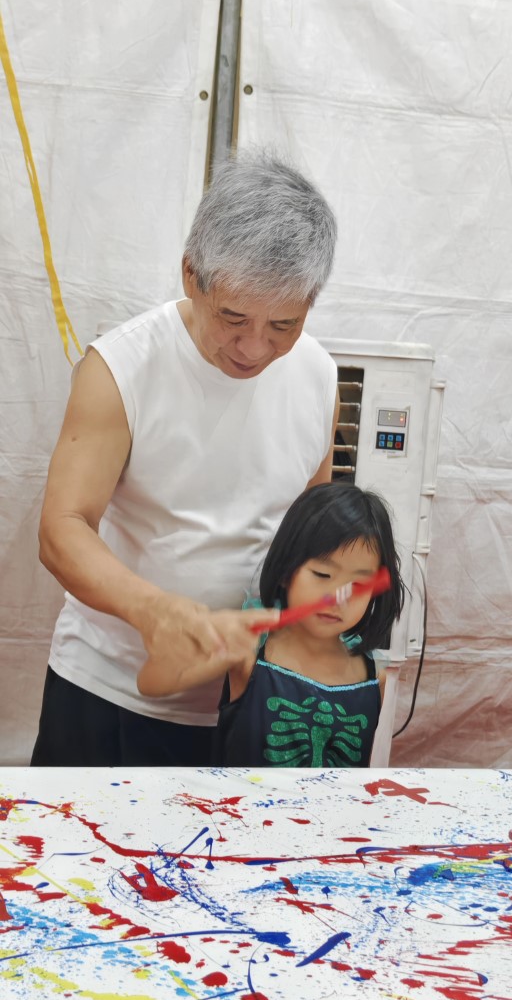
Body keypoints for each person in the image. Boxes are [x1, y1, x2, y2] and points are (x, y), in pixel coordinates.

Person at [31, 150, 339, 766]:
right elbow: (61, 530)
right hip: (108, 691)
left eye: (283, 325)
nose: (253, 348)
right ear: (190, 274)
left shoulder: (317, 376)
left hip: (250, 701)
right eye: (233, 317)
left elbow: (309, 541)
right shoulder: (122, 367)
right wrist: (155, 611)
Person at [138, 484, 405, 767]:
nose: (338, 598)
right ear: (287, 572)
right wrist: (207, 637)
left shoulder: (374, 677)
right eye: (322, 574)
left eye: (359, 585)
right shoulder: (249, 653)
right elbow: (150, 683)